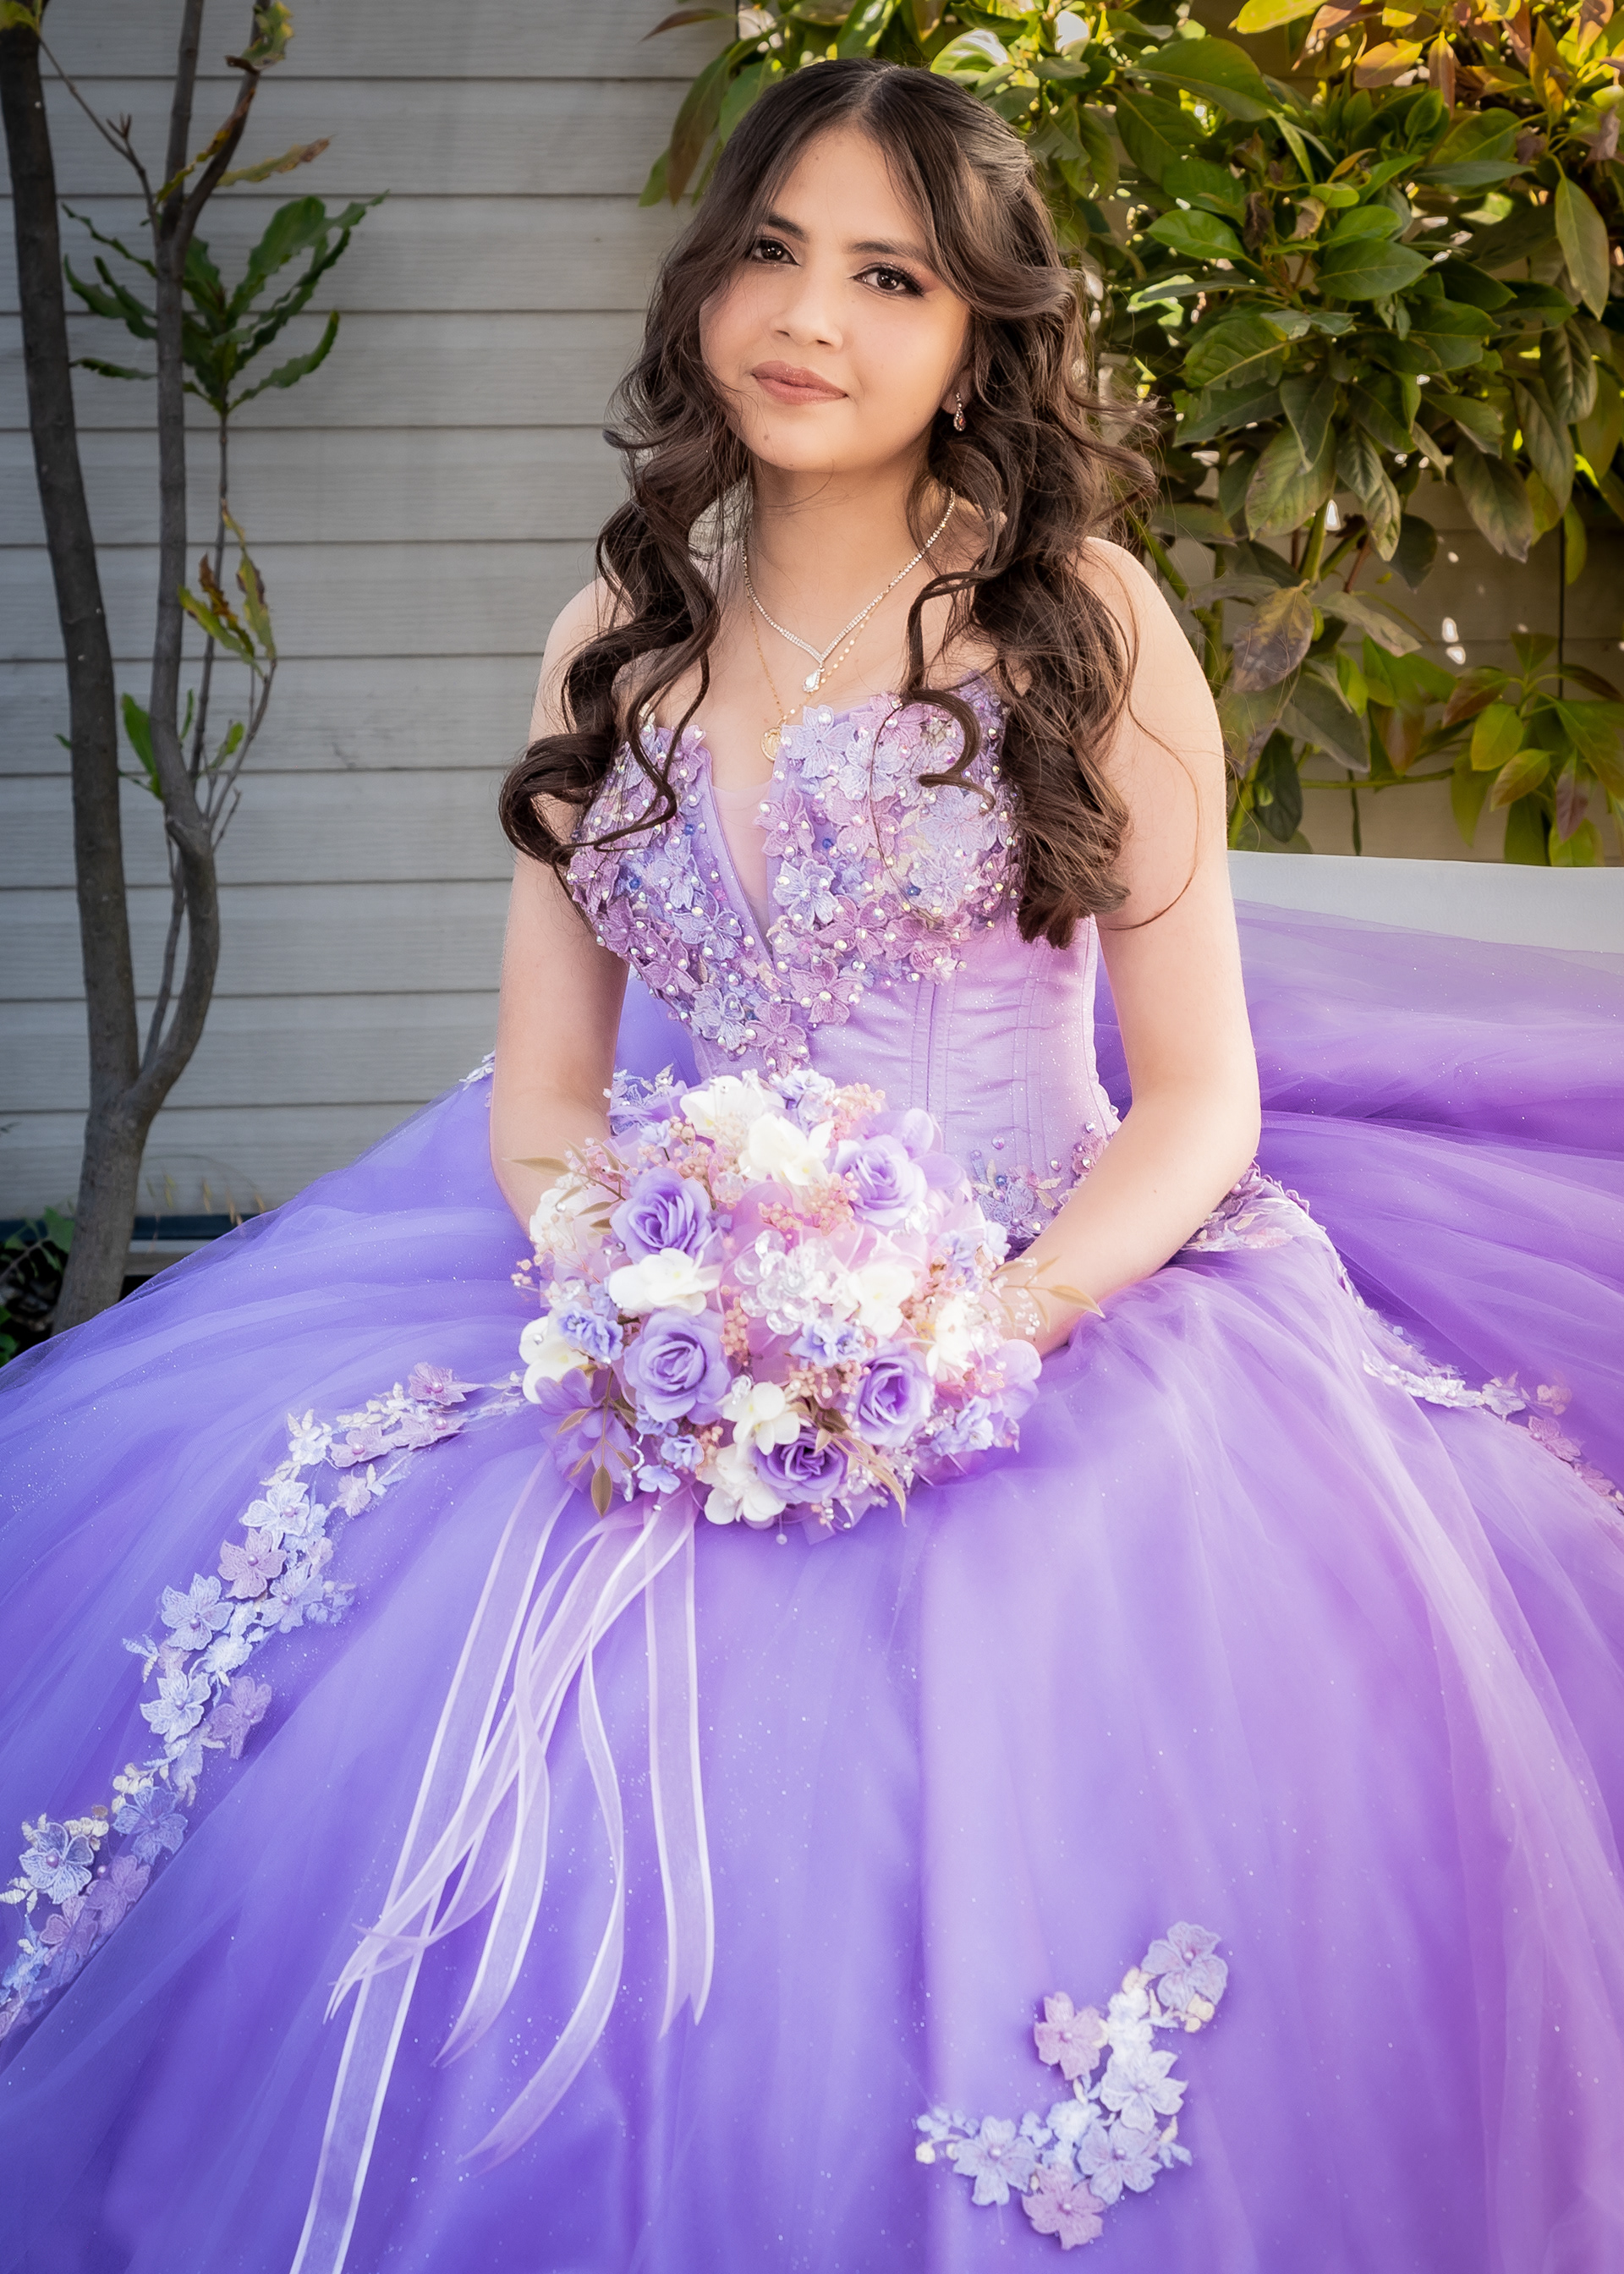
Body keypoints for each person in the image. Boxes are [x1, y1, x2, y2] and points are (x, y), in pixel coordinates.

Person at [3, 56, 1623, 2274]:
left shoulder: (1083, 622)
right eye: (771, 252)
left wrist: (992, 1317)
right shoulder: (619, 642)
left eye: (890, 276)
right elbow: (544, 1099)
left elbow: (1197, 1103)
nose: (809, 318)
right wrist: (644, 1285)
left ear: (982, 339)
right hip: (672, 1313)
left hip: (1066, 1306)